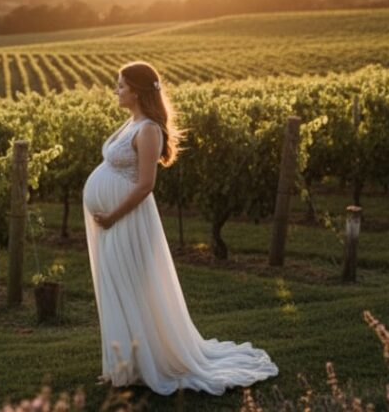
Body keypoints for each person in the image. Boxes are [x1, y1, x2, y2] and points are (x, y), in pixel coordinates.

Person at [82, 61, 279, 396]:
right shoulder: (132, 123)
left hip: (127, 222)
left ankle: (140, 365)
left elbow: (146, 185)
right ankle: (122, 367)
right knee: (116, 288)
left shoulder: (149, 130)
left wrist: (113, 214)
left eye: (121, 85)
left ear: (137, 91)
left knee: (130, 289)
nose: (116, 90)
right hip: (113, 222)